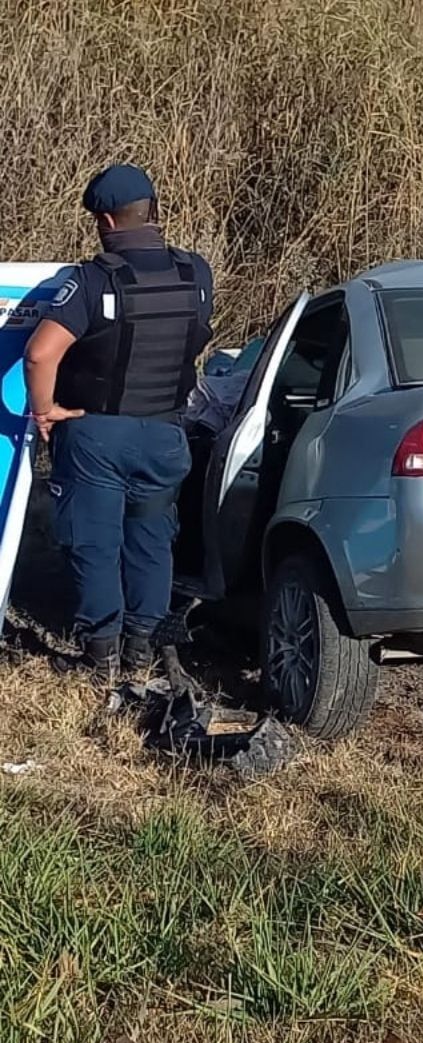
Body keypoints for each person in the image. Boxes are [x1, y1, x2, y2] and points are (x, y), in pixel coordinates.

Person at [23, 164, 213, 685]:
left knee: (95, 541)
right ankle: (140, 651)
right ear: (151, 211)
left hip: (97, 434)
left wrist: (46, 411)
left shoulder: (90, 280)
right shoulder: (195, 273)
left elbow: (41, 355)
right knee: (151, 540)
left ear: (105, 220)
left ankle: (100, 657)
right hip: (167, 434)